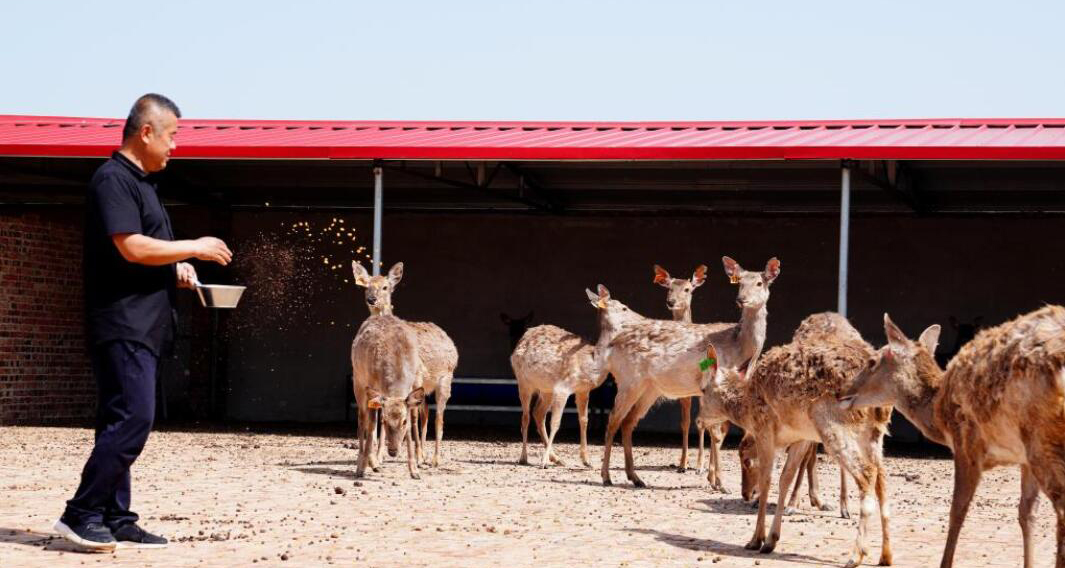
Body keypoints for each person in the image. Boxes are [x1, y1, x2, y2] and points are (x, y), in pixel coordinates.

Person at [54, 94, 233, 551]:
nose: (175, 146)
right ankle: (81, 513)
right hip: (123, 322)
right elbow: (130, 247)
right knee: (135, 418)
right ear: (146, 132)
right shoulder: (113, 179)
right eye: (172, 135)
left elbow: (141, 254)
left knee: (119, 420)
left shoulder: (144, 184)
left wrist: (173, 268)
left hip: (143, 322)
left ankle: (116, 516)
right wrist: (193, 246)